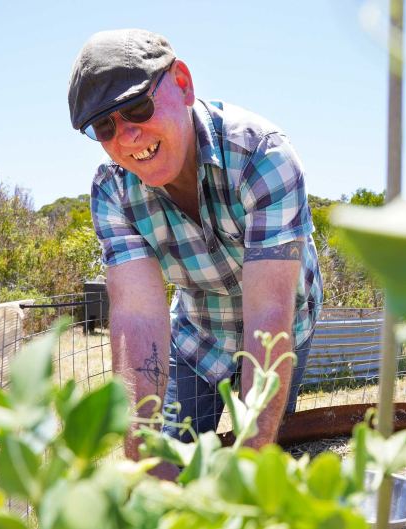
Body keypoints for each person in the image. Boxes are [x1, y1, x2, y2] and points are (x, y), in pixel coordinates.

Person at [67, 29, 323, 465]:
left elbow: (267, 316)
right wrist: (145, 464)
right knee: (167, 456)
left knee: (259, 449)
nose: (127, 136)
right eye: (104, 126)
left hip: (281, 321)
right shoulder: (113, 191)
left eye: (136, 107)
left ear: (182, 84)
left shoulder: (262, 154)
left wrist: (250, 458)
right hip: (198, 332)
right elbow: (137, 316)